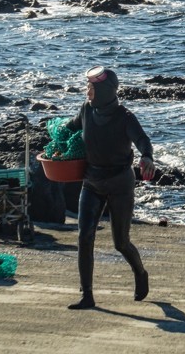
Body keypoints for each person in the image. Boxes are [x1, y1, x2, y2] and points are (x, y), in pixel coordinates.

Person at [65, 66, 156, 310]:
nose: (87, 91)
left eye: (91, 88)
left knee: (120, 242)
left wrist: (147, 157)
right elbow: (70, 127)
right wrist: (56, 137)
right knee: (84, 236)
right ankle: (87, 295)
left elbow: (143, 141)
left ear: (104, 91)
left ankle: (140, 273)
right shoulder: (86, 110)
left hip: (120, 184)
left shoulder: (125, 117)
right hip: (92, 182)